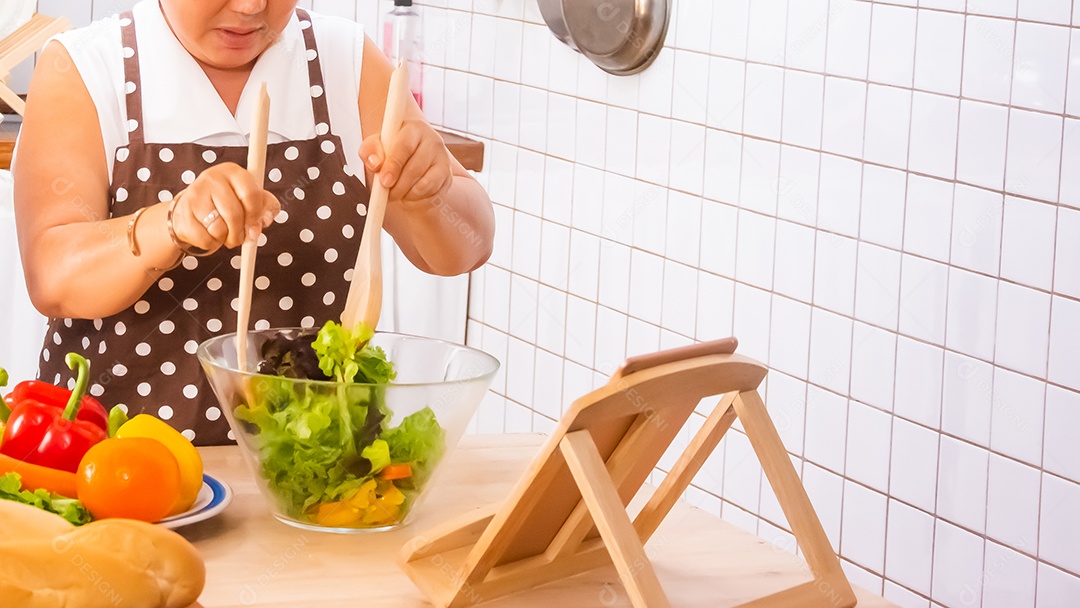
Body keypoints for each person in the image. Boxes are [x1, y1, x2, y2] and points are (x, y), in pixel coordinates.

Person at [12, 0, 494, 445]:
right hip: (114, 466)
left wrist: (430, 194)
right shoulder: (87, 67)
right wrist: (174, 224)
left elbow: (465, 248)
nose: (250, 7)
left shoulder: (343, 61)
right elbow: (54, 275)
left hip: (309, 470)